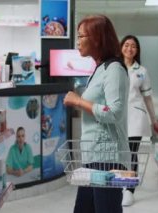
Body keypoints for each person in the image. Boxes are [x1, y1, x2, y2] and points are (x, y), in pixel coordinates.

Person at [63, 15, 129, 213]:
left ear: (97, 39)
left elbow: (115, 112)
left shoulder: (114, 68)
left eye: (81, 36)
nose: (78, 41)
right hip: (93, 155)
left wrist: (78, 101)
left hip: (107, 157)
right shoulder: (99, 68)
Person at [120, 35, 158, 206]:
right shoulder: (114, 67)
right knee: (119, 153)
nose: (130, 49)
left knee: (131, 152)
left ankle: (129, 190)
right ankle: (120, 184)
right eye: (127, 45)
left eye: (133, 46)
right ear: (121, 47)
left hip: (136, 117)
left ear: (137, 51)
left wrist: (154, 119)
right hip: (117, 116)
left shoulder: (141, 71)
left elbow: (148, 98)